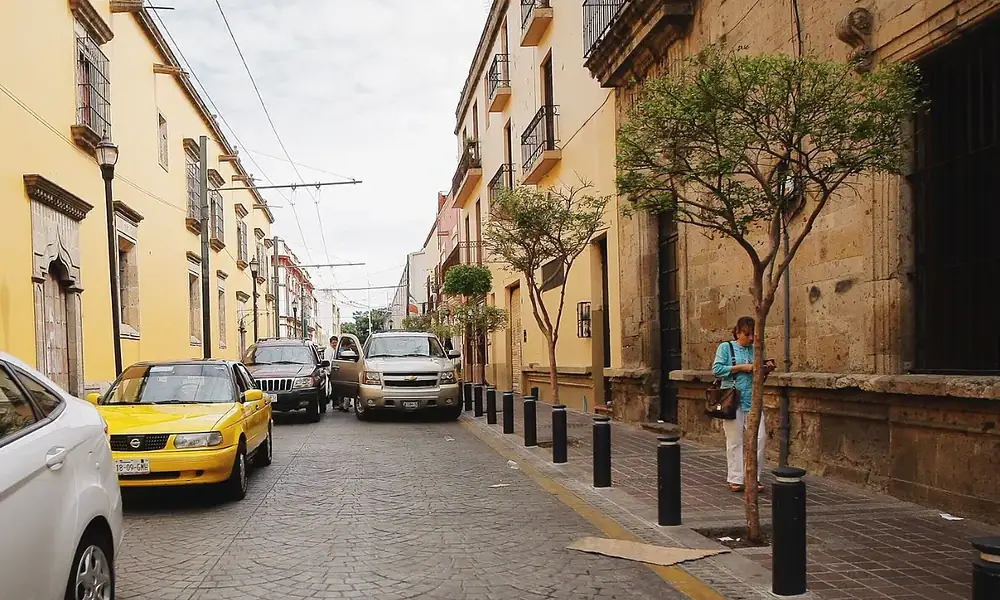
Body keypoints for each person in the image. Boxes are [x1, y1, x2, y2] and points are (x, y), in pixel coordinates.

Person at [712, 316, 774, 493]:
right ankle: (736, 478)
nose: (750, 339)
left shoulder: (756, 349)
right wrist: (741, 367)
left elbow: (758, 374)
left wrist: (765, 367)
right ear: (738, 332)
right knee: (735, 440)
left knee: (760, 438)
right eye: (746, 335)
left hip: (753, 400)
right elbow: (717, 370)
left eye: (752, 335)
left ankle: (754, 476)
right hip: (733, 400)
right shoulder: (726, 348)